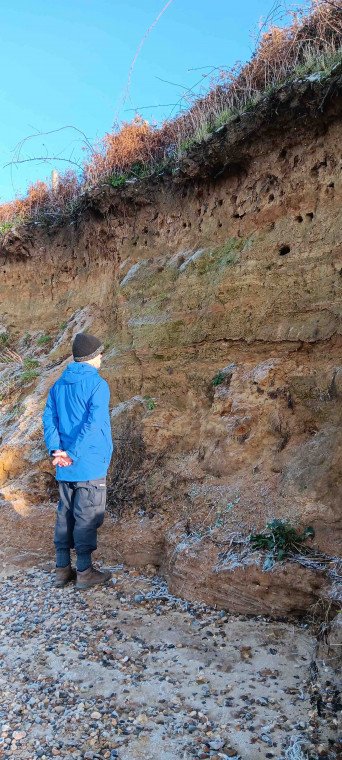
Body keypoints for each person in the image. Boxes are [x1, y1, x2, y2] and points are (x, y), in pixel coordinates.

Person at [43, 333, 113, 590]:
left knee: (65, 515)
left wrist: (56, 451)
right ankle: (84, 572)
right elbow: (93, 425)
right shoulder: (98, 385)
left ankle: (62, 570)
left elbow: (49, 421)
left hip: (64, 466)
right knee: (86, 517)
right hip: (89, 463)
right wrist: (71, 452)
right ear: (93, 357)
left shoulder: (57, 385)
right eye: (100, 353)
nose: (102, 357)